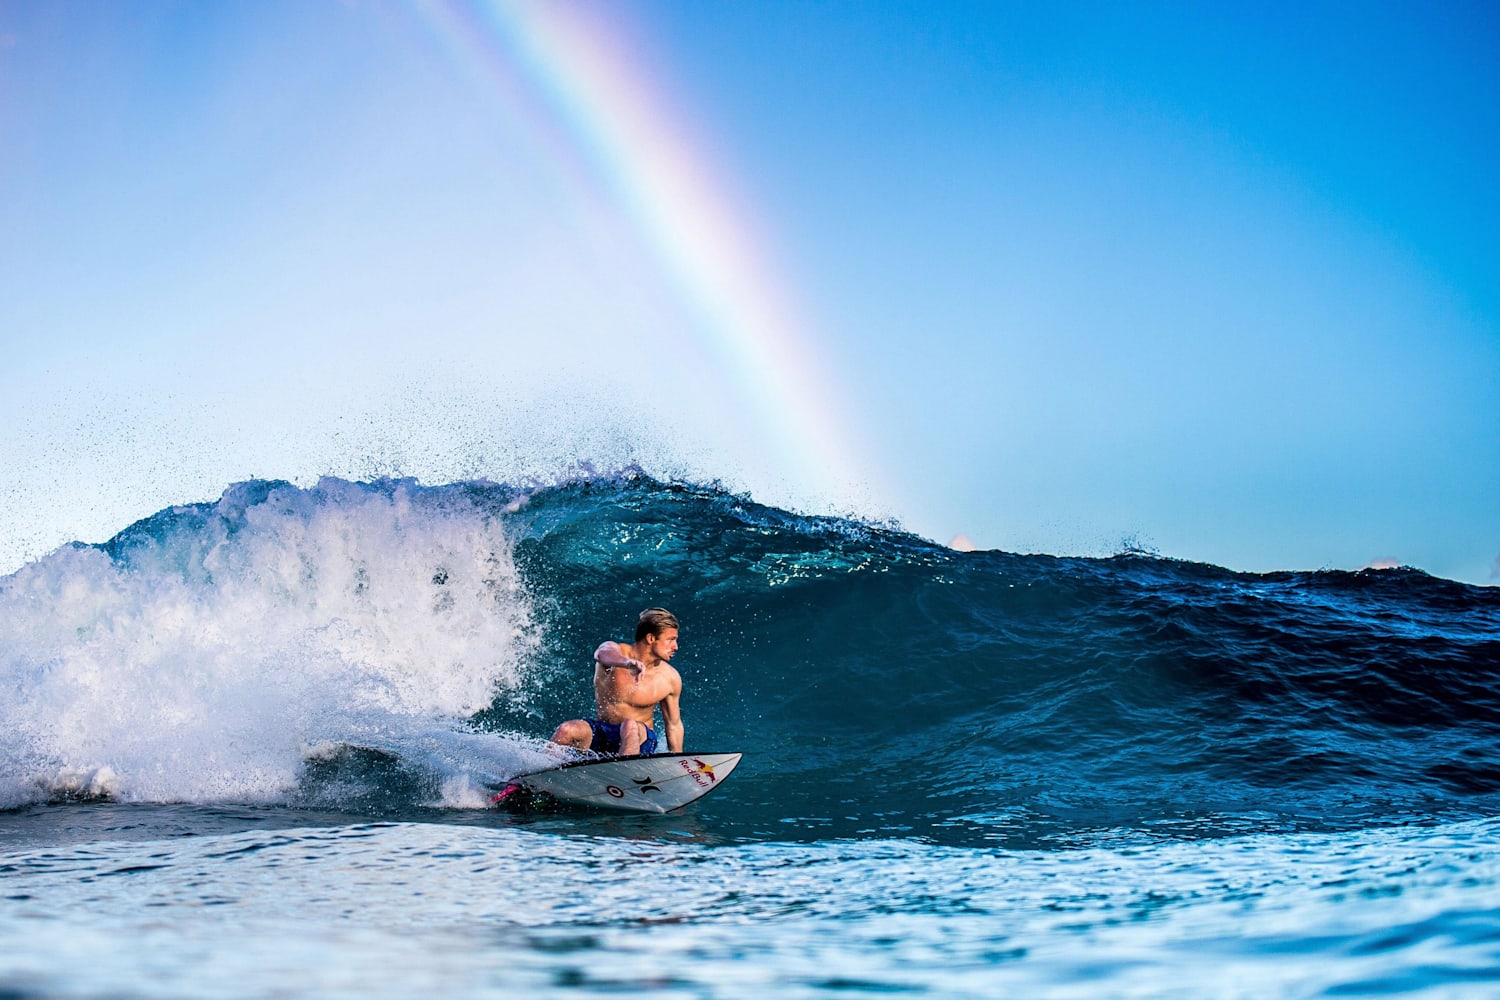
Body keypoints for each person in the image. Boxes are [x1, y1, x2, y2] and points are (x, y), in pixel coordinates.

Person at [549, 607, 684, 757]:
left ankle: (625, 775)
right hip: (604, 733)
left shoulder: (670, 678)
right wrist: (627, 663)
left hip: (640, 740)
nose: (675, 647)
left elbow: (673, 725)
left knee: (629, 725)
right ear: (651, 638)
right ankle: (537, 777)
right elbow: (601, 653)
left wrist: (677, 762)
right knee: (566, 730)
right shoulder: (615, 654)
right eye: (671, 639)